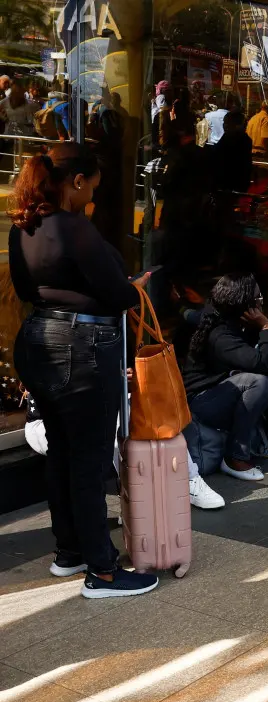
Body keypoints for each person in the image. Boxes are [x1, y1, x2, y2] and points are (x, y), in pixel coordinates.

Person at [8, 144, 158, 598]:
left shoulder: (23, 228)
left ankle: (68, 552)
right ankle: (104, 571)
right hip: (83, 346)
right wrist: (134, 289)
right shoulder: (74, 228)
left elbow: (23, 288)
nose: (93, 195)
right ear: (76, 182)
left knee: (62, 453)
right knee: (88, 462)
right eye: (92, 186)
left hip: (38, 339)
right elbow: (116, 295)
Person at [181, 273, 268, 481]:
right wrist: (266, 327)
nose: (262, 302)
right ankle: (235, 457)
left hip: (223, 387)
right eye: (258, 298)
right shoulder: (220, 334)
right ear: (244, 303)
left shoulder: (238, 322)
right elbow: (264, 364)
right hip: (200, 402)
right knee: (259, 382)